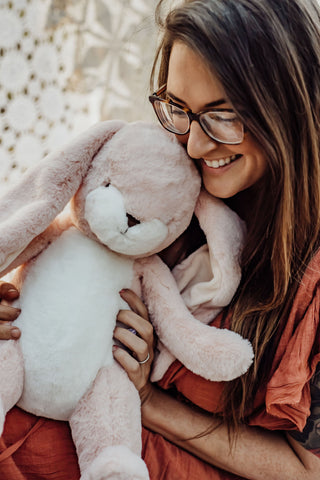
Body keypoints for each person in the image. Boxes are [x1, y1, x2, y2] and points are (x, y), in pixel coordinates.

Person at [0, 0, 320, 478]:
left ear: (286, 108)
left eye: (223, 115)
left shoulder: (307, 273)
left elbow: (306, 469)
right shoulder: (163, 174)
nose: (192, 144)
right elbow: (63, 236)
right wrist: (23, 307)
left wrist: (146, 398)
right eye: (179, 109)